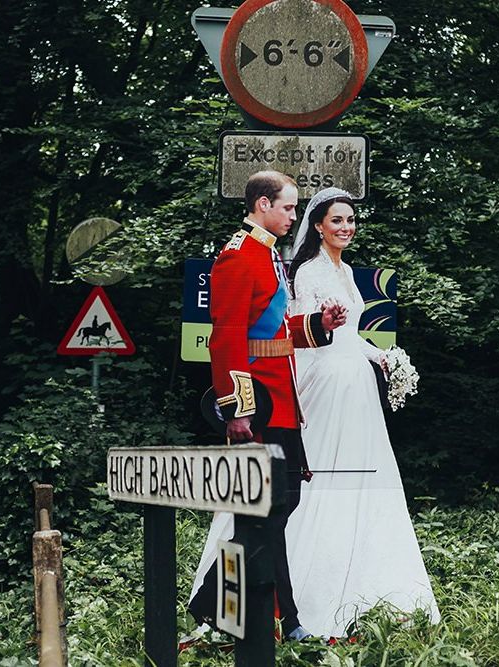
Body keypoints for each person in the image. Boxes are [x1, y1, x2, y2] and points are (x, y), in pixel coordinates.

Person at [187, 171, 347, 641]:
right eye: (289, 208)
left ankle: (223, 608)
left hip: (280, 401)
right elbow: (229, 339)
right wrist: (235, 409)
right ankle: (278, 619)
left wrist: (318, 323)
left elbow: (272, 334)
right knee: (267, 507)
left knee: (276, 505)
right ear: (262, 204)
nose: (294, 216)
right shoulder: (238, 257)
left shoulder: (267, 253)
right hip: (258, 404)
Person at [283, 187, 441, 637]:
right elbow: (312, 333)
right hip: (328, 379)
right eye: (337, 221)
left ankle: (370, 571)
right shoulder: (309, 273)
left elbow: (351, 333)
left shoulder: (348, 271)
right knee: (325, 468)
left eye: (351, 220)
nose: (346, 228)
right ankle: (310, 583)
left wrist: (384, 357)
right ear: (318, 226)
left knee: (366, 471)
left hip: (355, 378)